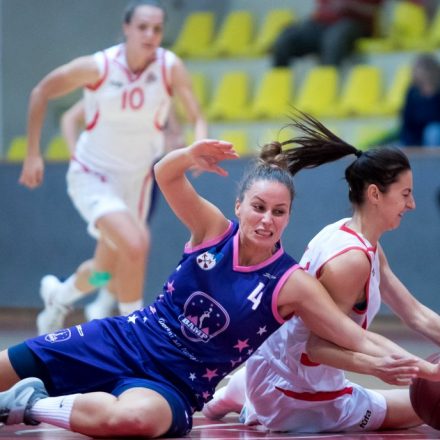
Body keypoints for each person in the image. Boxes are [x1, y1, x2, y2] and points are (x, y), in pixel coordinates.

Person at [2, 134, 440, 438]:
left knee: (132, 421)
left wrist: (418, 368)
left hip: (176, 383)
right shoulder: (212, 230)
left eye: (279, 212)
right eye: (258, 207)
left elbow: (353, 336)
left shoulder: (291, 283)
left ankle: (28, 404)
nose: (267, 220)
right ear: (239, 206)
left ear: (289, 217)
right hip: (124, 339)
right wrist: (187, 155)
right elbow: (165, 174)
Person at [202, 113, 440, 433]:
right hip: (295, 391)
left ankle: (246, 389)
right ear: (374, 194)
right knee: (424, 405)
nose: (411, 205)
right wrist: (383, 366)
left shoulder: (349, 235)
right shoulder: (351, 261)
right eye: (405, 194)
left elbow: (414, 314)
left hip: (274, 363)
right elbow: (317, 347)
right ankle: (259, 404)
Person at [19, 0, 207, 333]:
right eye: (142, 27)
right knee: (136, 243)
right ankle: (134, 332)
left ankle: (59, 297)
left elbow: (197, 117)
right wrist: (33, 153)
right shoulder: (99, 66)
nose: (150, 35)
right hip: (94, 175)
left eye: (157, 29)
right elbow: (41, 92)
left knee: (104, 271)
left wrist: (197, 146)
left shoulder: (169, 67)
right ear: (126, 28)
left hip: (136, 181)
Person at [272, 0, 383, 67]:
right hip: (320, 23)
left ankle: (326, 84)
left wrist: (350, 5)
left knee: (333, 40)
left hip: (352, 23)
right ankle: (278, 87)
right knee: (285, 39)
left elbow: (374, 10)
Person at [400, 53, 440, 147]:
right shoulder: (412, 91)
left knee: (433, 131)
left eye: (420, 68)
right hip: (416, 132)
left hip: (434, 133)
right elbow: (407, 118)